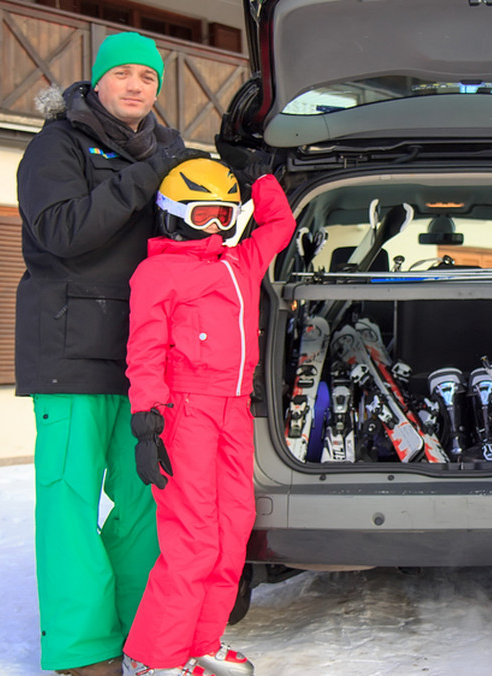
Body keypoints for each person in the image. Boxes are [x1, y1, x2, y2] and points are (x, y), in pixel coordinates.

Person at [16, 31, 204, 676]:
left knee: (144, 499)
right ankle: (81, 649)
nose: (135, 86)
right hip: (68, 352)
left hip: (143, 358)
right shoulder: (56, 146)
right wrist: (152, 172)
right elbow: (64, 231)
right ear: (97, 81)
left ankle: (135, 634)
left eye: (148, 79)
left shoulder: (169, 154)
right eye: (122, 74)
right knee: (69, 499)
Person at [121, 157, 296, 676]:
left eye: (225, 215)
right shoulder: (156, 273)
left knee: (232, 528)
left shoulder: (240, 263)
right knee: (192, 537)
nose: (217, 226)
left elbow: (280, 225)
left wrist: (261, 179)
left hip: (234, 410)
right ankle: (153, 658)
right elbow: (144, 350)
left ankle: (201, 641)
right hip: (186, 411)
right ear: (174, 215)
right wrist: (146, 420)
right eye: (204, 216)